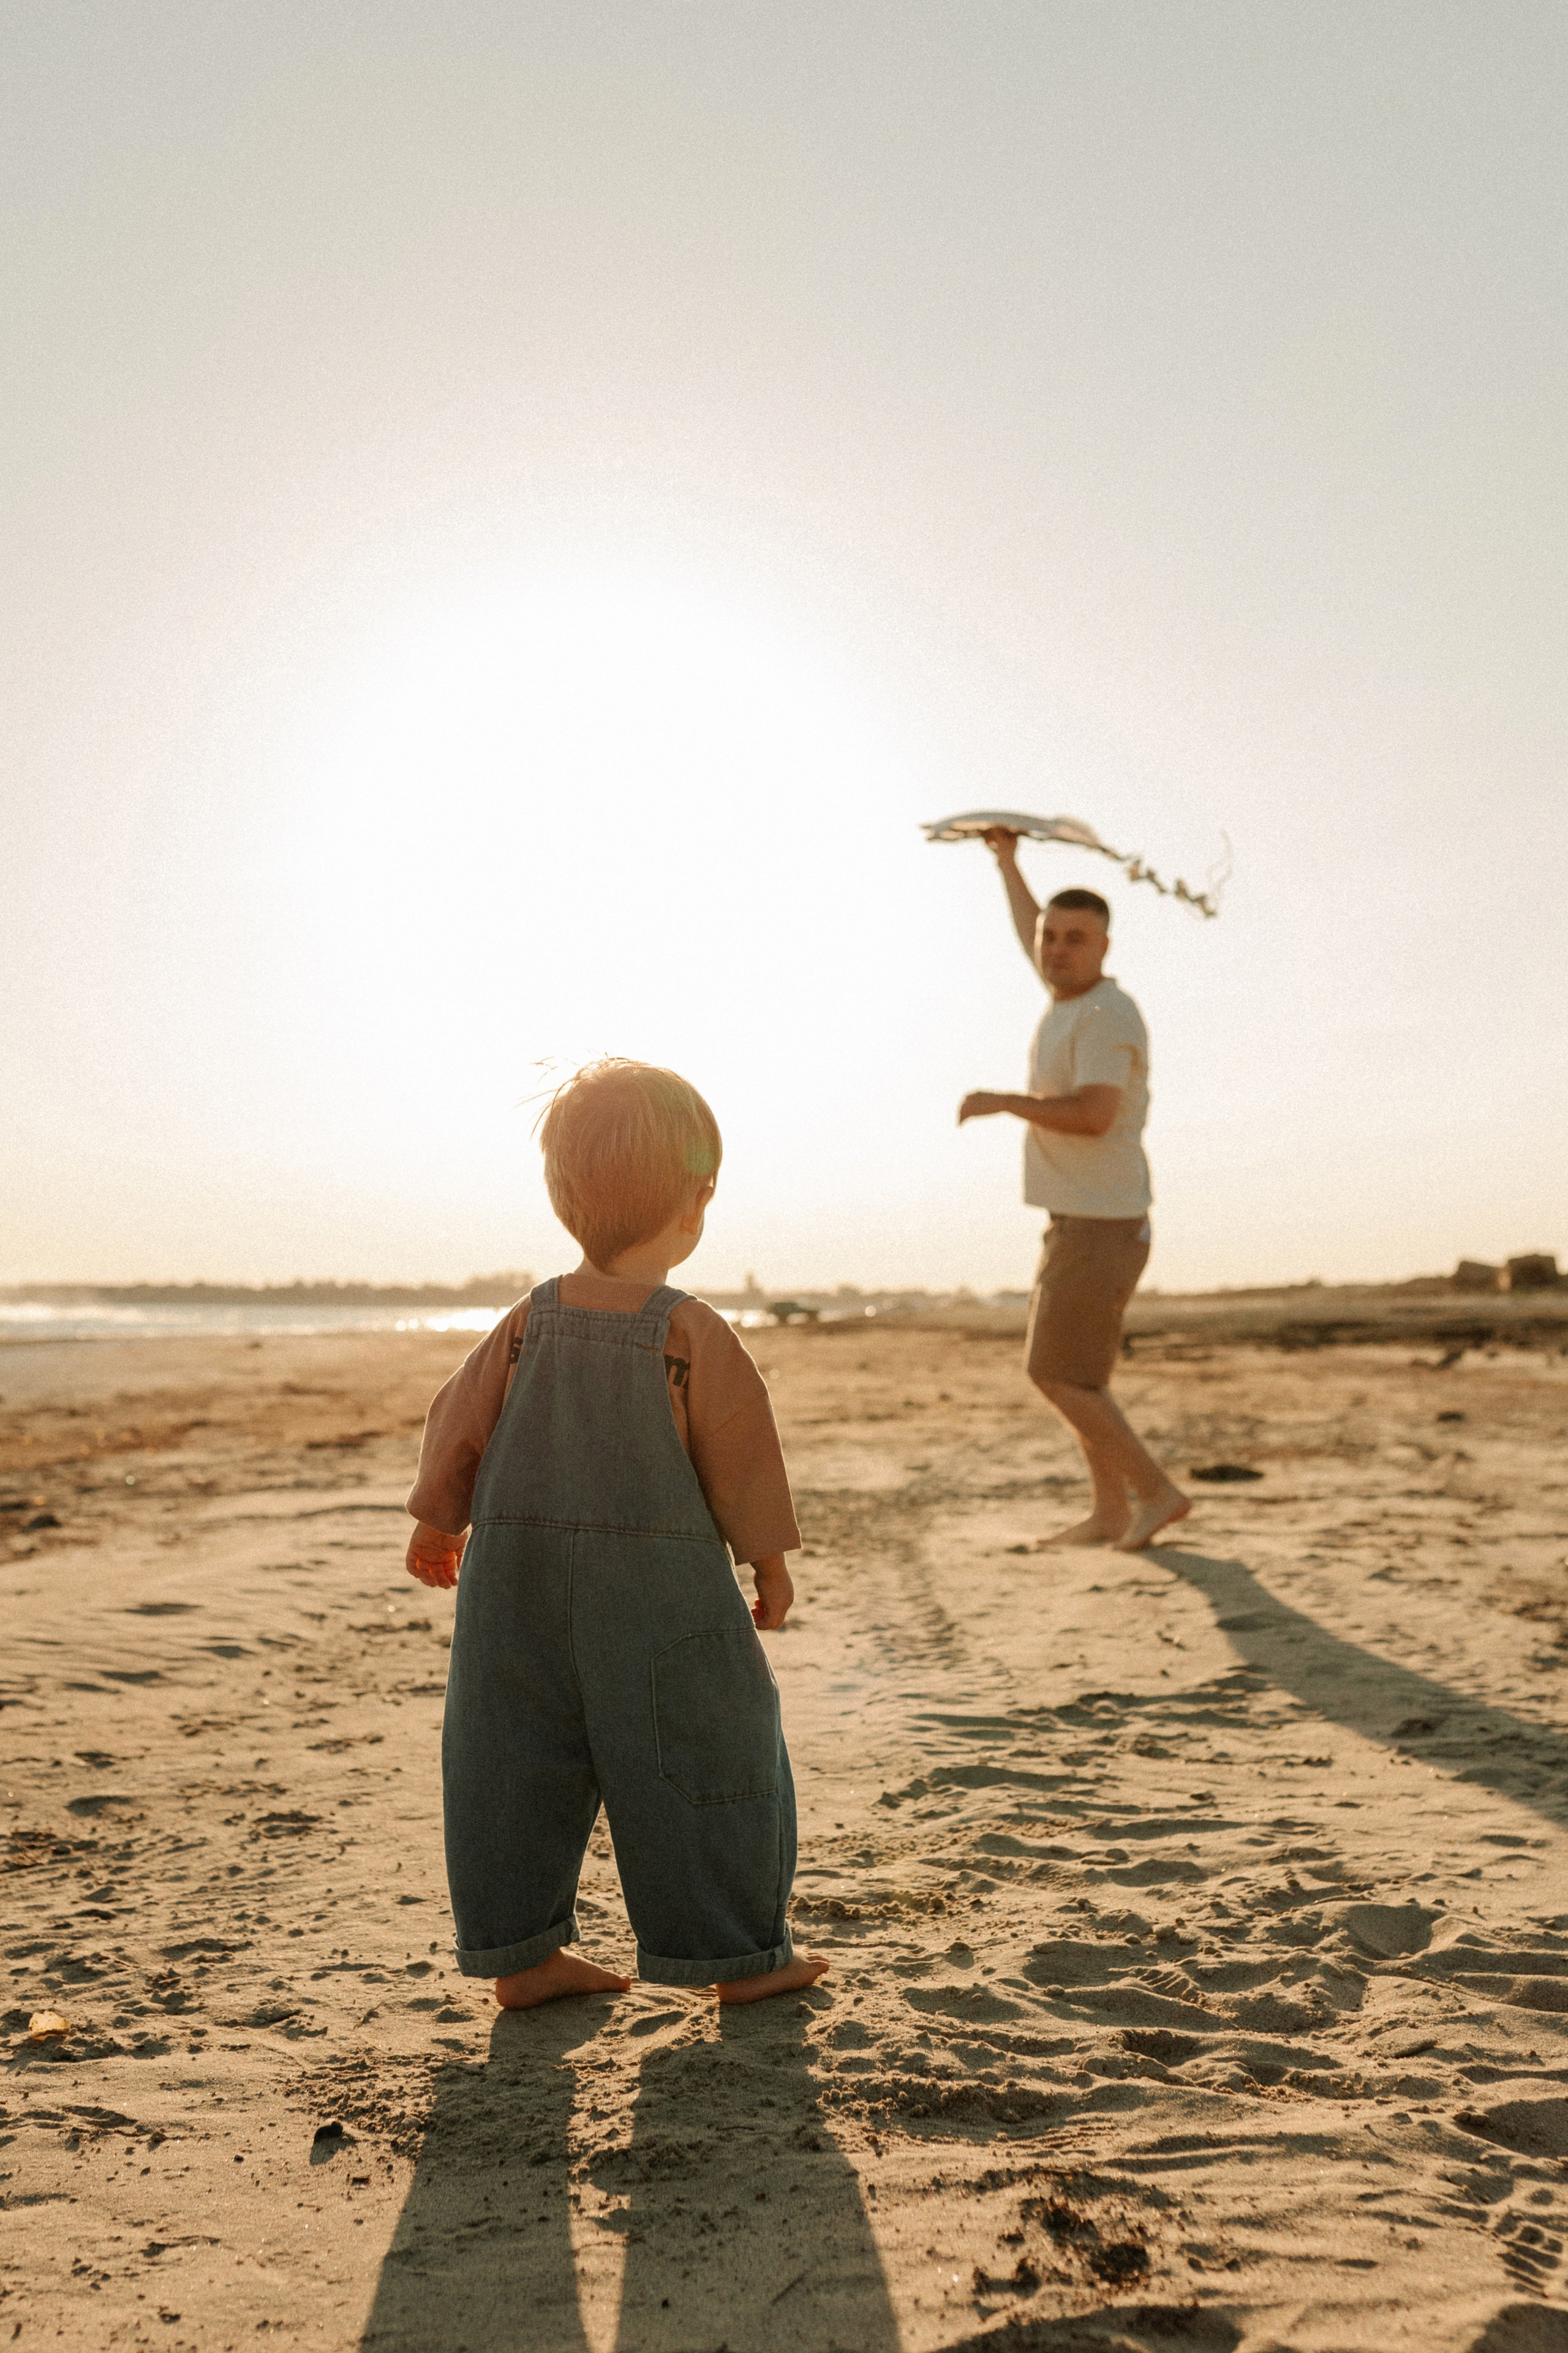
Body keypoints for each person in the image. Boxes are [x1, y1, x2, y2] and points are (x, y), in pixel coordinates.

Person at [404, 1057, 829, 2011]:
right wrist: (768, 1561)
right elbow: (742, 1458)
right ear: (698, 1199)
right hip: (661, 1602)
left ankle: (523, 1955)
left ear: (565, 1198)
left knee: (510, 1760)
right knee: (708, 1750)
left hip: (518, 1589)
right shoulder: (688, 1333)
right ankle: (737, 1955)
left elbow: (457, 1421)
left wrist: (440, 1518)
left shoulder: (525, 1326)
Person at [959, 831, 1189, 1552]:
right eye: (1050, 938)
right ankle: (1109, 1514)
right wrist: (1006, 860)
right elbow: (1032, 926)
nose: (1057, 950)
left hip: (1102, 1222)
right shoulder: (1069, 999)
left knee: (1054, 1373)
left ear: (1103, 948)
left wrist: (1005, 1101)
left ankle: (1154, 1492)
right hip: (1082, 1219)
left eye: (1075, 939)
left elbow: (1095, 1114)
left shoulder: (1104, 1016)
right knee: (1080, 1376)